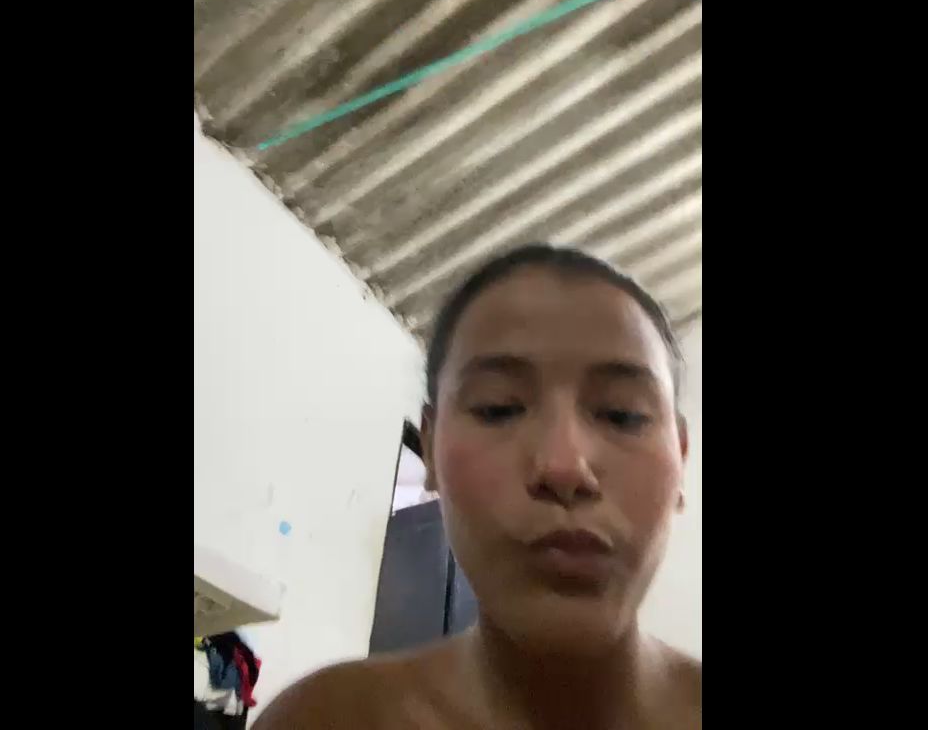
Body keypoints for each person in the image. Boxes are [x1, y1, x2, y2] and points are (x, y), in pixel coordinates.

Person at [255, 244, 701, 729]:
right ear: (430, 450)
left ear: (680, 458)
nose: (564, 467)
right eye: (497, 408)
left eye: (623, 415)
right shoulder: (326, 719)